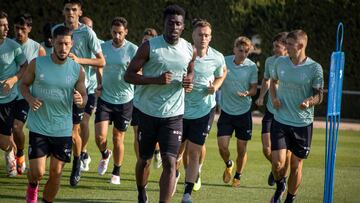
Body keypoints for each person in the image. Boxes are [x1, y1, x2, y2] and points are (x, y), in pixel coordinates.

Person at [124, 4, 195, 203]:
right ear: (164, 23)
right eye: (171, 23)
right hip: (147, 113)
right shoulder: (149, 46)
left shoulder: (188, 48)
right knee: (144, 160)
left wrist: (189, 80)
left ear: (183, 27)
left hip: (173, 115)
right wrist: (155, 80)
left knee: (170, 162)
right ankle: (141, 191)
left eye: (178, 24)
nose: (174, 27)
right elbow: (128, 76)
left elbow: (190, 68)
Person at [21, 25, 87, 203]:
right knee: (38, 172)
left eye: (66, 44)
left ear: (71, 44)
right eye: (59, 44)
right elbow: (23, 85)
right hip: (39, 126)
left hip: (62, 129)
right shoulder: (38, 63)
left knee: (56, 173)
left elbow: (84, 96)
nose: (63, 48)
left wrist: (81, 100)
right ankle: (32, 186)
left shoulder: (77, 70)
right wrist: (29, 98)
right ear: (52, 42)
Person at [269, 29, 323, 203]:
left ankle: (290, 199)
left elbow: (319, 95)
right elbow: (273, 82)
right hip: (280, 120)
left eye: (290, 44)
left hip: (302, 123)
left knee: (295, 165)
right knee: (277, 163)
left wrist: (309, 101)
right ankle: (280, 186)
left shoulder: (315, 68)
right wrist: (274, 97)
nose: (286, 47)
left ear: (300, 46)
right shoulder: (280, 62)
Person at [55, 0, 105, 186]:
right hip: (60, 88)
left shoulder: (87, 33)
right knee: (61, 127)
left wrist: (79, 60)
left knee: (77, 128)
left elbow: (101, 62)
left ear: (80, 11)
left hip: (85, 87)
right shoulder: (58, 29)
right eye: (67, 9)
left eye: (74, 10)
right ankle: (63, 160)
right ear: (63, 11)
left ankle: (77, 161)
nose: (70, 13)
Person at [179, 19, 227, 202]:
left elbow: (222, 73)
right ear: (192, 35)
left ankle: (187, 194)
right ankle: (174, 177)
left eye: (207, 35)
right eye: (200, 34)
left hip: (205, 110)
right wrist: (183, 85)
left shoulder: (217, 56)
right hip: (180, 109)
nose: (203, 38)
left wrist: (215, 86)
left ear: (211, 37)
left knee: (194, 151)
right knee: (175, 154)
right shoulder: (183, 54)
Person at [94, 16, 138, 184]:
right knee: (100, 138)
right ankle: (105, 154)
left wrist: (132, 72)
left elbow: (139, 73)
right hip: (105, 98)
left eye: (120, 33)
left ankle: (116, 172)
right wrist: (99, 83)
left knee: (118, 137)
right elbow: (99, 65)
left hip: (125, 100)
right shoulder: (103, 47)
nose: (117, 36)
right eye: (114, 32)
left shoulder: (133, 50)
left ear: (126, 32)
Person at [217, 36, 258, 187]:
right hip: (226, 112)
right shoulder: (224, 61)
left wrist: (248, 93)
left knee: (242, 149)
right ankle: (229, 164)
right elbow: (216, 76)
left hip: (244, 112)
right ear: (234, 49)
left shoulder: (252, 66)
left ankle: (238, 175)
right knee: (222, 146)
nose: (243, 54)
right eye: (240, 50)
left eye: (246, 51)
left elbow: (254, 89)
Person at [255, 32, 290, 186]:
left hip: (285, 113)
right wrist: (261, 96)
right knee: (266, 149)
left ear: (286, 47)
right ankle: (275, 167)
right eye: (274, 46)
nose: (274, 49)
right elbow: (266, 80)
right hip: (270, 110)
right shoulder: (269, 61)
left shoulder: (292, 63)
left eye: (278, 46)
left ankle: (280, 176)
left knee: (285, 154)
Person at [12, 13, 46, 175]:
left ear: (29, 29)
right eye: (17, 28)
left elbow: (46, 73)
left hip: (25, 96)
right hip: (6, 95)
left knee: (17, 127)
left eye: (23, 29)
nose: (19, 32)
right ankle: (11, 155)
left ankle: (19, 153)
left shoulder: (37, 48)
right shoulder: (7, 45)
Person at [0, 10, 27, 177]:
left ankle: (10, 151)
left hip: (7, 99)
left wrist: (13, 79)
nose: (6, 28)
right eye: (1, 25)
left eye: (6, 25)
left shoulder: (14, 47)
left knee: (3, 142)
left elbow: (25, 67)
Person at [131, 27, 162, 169]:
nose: (146, 44)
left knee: (154, 135)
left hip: (153, 102)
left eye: (149, 41)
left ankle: (157, 150)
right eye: (144, 41)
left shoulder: (158, 57)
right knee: (137, 133)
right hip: (138, 101)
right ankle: (140, 163)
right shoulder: (137, 55)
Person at [77, 15, 103, 172]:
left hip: (91, 89)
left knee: (84, 122)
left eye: (90, 27)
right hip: (75, 87)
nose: (87, 29)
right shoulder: (74, 39)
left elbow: (101, 64)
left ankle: (82, 152)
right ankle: (83, 154)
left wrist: (100, 84)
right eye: (84, 26)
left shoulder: (97, 44)